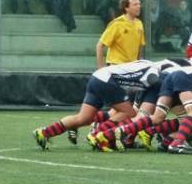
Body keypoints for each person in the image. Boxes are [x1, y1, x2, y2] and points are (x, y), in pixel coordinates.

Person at [32, 60, 162, 150]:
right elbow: (152, 81)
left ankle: (44, 132)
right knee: (129, 113)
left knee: (83, 118)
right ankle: (98, 135)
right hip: (107, 80)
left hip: (97, 78)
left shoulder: (147, 64)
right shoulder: (155, 73)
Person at [96, 0, 145, 69]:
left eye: (139, 4)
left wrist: (139, 63)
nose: (139, 6)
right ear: (126, 8)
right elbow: (100, 45)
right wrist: (100, 68)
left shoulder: (139, 24)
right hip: (116, 66)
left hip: (132, 67)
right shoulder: (117, 24)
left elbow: (140, 46)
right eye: (135, 5)